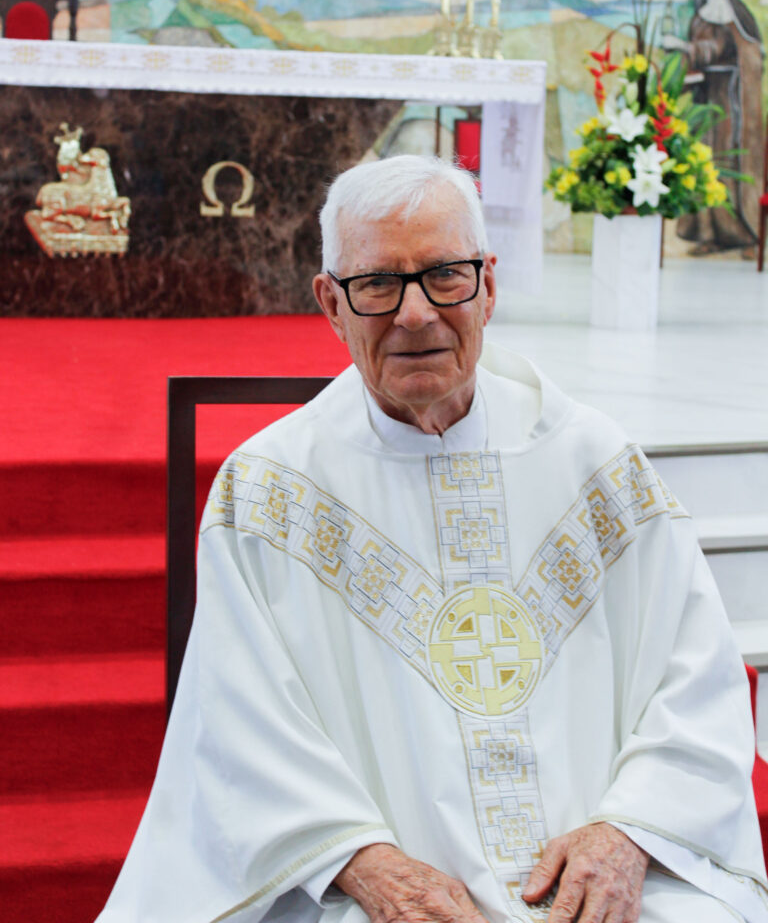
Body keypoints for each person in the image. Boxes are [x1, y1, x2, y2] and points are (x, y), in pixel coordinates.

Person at [97, 155, 768, 923]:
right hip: (373, 884)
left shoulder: (596, 466)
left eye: (444, 275)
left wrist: (627, 830)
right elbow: (237, 723)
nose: (415, 313)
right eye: (378, 283)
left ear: (487, 285)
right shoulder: (268, 495)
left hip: (596, 877)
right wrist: (359, 859)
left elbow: (698, 676)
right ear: (330, 303)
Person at [662, 0, 764, 255]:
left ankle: (746, 233)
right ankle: (711, 232)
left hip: (729, 102)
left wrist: (684, 47)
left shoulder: (734, 17)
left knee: (728, 160)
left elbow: (723, 49)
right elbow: (700, 54)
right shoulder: (701, 16)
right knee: (703, 162)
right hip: (704, 98)